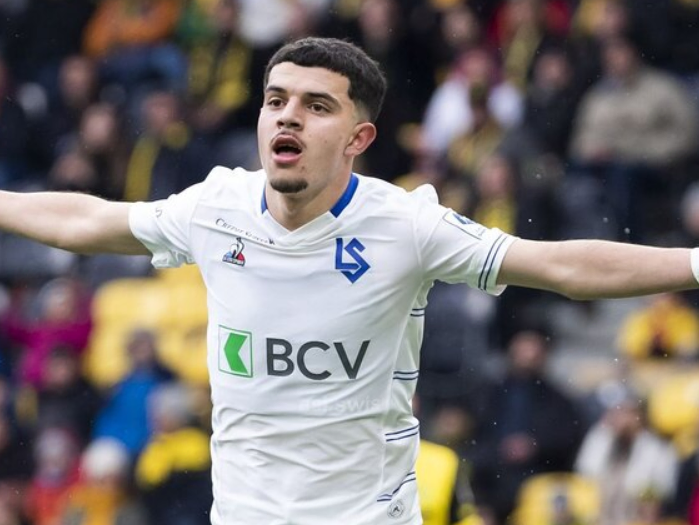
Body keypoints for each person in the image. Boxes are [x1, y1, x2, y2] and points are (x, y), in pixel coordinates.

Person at [0, 36, 697, 525]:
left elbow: (562, 266)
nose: (288, 115)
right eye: (276, 100)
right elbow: (86, 220)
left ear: (359, 139)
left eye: (316, 105)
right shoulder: (215, 208)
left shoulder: (405, 226)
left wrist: (693, 263)